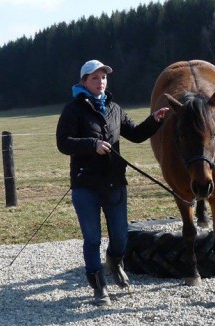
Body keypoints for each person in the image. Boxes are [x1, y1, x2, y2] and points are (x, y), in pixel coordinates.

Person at [56, 60, 168, 306]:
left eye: (103, 77)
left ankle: (115, 262)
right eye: (95, 78)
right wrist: (91, 145)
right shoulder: (73, 110)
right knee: (92, 238)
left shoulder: (115, 108)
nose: (101, 82)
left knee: (120, 237)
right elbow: (63, 143)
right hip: (85, 185)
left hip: (115, 182)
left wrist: (155, 120)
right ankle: (99, 286)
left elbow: (136, 134)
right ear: (84, 82)